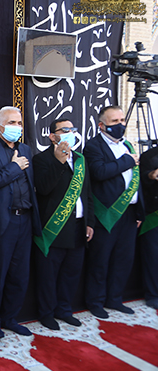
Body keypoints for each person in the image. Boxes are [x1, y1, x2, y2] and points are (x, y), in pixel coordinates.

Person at [0, 106, 41, 338]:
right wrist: (14, 167)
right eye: (12, 123)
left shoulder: (25, 149)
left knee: (19, 275)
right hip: (4, 221)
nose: (17, 127)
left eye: (19, 123)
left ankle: (10, 318)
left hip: (25, 219)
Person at [32, 119, 94, 330]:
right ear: (52, 136)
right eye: (64, 130)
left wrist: (90, 222)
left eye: (72, 129)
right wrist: (59, 162)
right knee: (48, 275)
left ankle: (64, 310)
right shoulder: (41, 159)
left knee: (71, 272)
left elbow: (87, 194)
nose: (70, 133)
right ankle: (47, 313)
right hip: (54, 227)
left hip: (78, 225)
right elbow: (43, 188)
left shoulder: (80, 160)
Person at [83, 105, 143, 318]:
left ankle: (115, 299)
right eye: (114, 121)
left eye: (122, 120)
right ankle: (96, 301)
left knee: (123, 259)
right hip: (106, 214)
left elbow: (136, 180)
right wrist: (127, 160)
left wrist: (139, 211)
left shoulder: (127, 145)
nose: (120, 125)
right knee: (100, 259)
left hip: (129, 213)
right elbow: (99, 172)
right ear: (102, 125)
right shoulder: (93, 146)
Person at [139, 146, 158, 310]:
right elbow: (142, 180)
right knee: (152, 257)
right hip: (153, 216)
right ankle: (153, 294)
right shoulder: (149, 156)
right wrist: (151, 175)